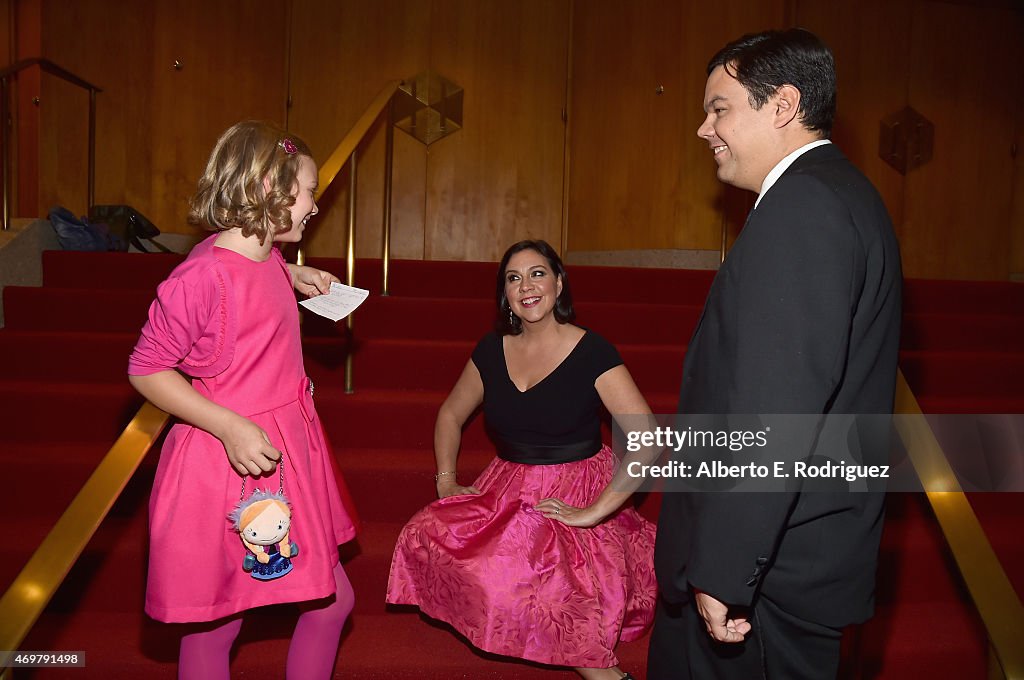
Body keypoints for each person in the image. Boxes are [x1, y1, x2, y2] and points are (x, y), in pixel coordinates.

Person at [648, 29, 902, 679]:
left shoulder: (804, 207)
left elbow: (774, 408)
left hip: (766, 578)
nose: (704, 129)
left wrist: (724, 569)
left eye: (720, 108)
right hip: (789, 563)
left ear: (783, 104)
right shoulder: (840, 194)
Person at [128, 121, 359, 680]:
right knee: (216, 622)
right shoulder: (201, 276)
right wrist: (230, 426)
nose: (313, 204)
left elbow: (250, 271)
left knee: (332, 602)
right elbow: (147, 368)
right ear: (266, 192)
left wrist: (292, 272)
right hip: (230, 465)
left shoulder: (258, 255)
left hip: (283, 453)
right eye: (306, 190)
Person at [387, 240, 657, 680]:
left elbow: (646, 438)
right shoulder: (492, 350)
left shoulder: (592, 351)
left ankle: (604, 674)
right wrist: (446, 480)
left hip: (577, 483)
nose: (526, 286)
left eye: (537, 273)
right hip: (509, 483)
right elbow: (451, 414)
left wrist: (593, 513)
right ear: (505, 294)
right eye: (514, 278)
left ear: (559, 282)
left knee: (551, 573)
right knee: (425, 531)